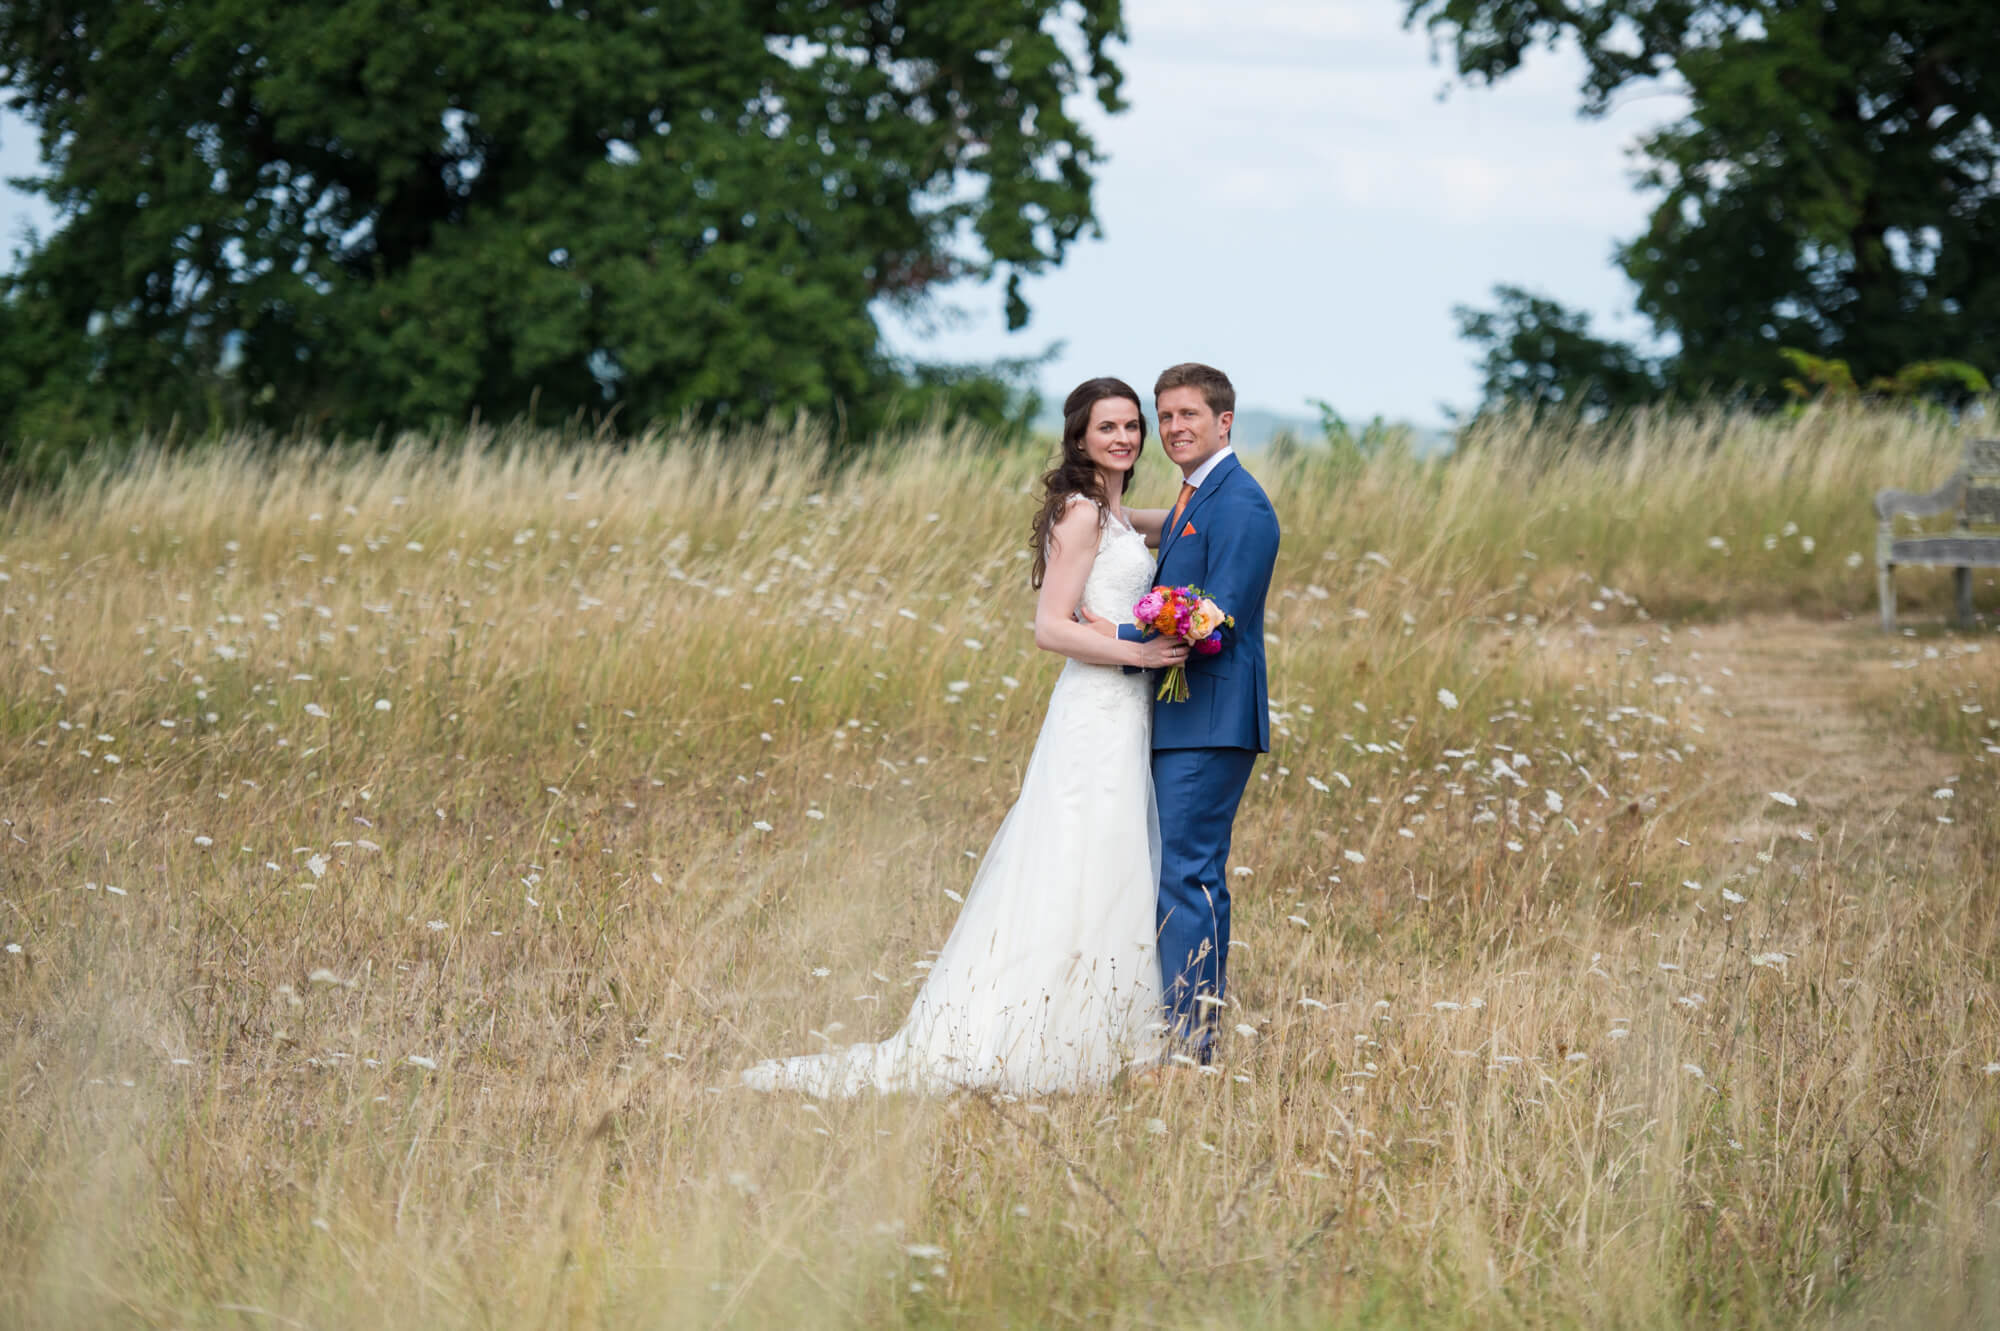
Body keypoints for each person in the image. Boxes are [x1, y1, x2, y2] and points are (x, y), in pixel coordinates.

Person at [740, 377, 1189, 1097]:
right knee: (1079, 852)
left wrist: (1209, 499)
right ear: (1079, 436)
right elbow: (1050, 627)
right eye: (1109, 426)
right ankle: (1042, 1033)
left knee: (1113, 857)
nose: (1126, 438)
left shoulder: (1113, 514)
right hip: (1095, 709)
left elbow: (1169, 524)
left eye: (1134, 426)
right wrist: (1140, 649)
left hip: (1125, 712)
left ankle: (1106, 1024)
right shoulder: (1079, 514)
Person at [1084, 363, 1280, 1068]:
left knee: (1188, 874)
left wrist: (1115, 637)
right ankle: (1182, 1026)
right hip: (1180, 714)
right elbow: (1166, 535)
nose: (1172, 429)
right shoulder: (1200, 495)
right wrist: (1100, 514)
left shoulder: (1244, 504)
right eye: (1163, 417)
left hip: (1212, 716)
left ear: (1224, 421)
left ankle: (1193, 1045)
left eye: (1187, 415)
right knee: (1180, 871)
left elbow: (1216, 624)